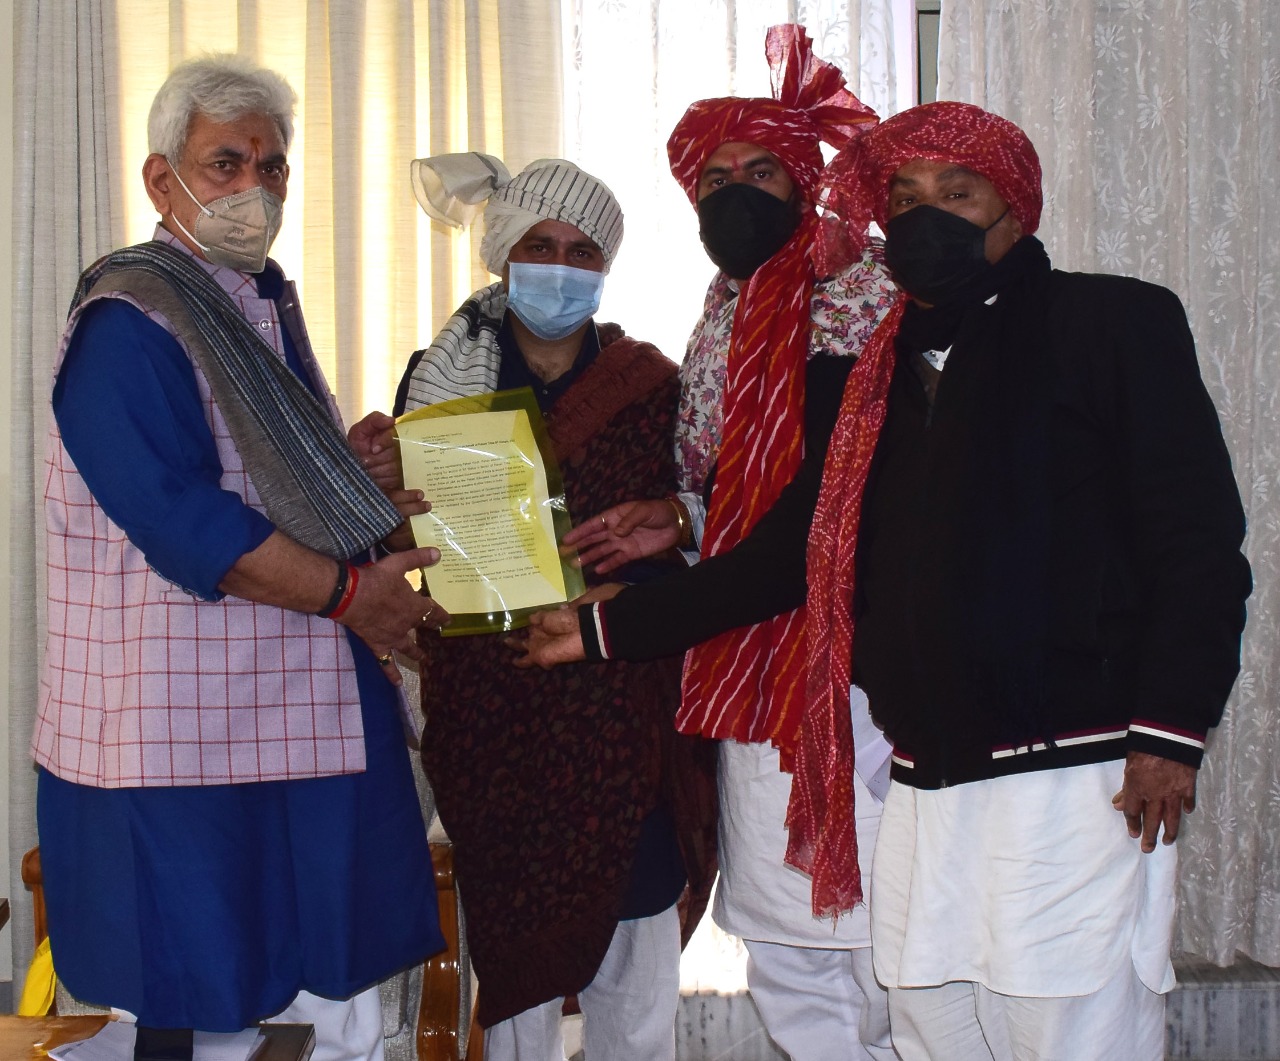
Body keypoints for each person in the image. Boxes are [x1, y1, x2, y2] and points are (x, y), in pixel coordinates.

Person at [520, 100, 1251, 1061]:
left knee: (1067, 1027)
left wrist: (1170, 732)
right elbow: (796, 549)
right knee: (934, 1025)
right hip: (927, 778)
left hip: (1076, 774)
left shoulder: (1111, 321)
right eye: (903, 195)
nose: (924, 216)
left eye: (957, 192)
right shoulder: (871, 367)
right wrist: (612, 628)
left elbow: (1195, 543)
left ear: (1014, 208)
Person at [32, 54, 445, 1061]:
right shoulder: (133, 317)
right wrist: (355, 591)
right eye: (225, 162)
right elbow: (183, 521)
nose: (253, 188)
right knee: (199, 995)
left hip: (283, 705)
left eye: (272, 167)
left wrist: (348, 478)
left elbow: (250, 482)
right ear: (160, 178)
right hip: (174, 726)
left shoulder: (249, 300)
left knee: (316, 987)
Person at [556, 25, 898, 1061]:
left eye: (762, 171)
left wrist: (623, 625)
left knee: (878, 945)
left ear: (805, 178)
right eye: (714, 178)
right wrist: (680, 518)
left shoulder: (861, 294)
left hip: (853, 667)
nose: (736, 194)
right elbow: (736, 496)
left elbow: (825, 519)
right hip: (748, 665)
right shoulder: (721, 311)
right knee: (787, 943)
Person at [353, 154, 717, 1061]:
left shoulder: (650, 385)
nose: (560, 264)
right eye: (540, 244)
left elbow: (700, 540)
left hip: (617, 716)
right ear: (503, 254)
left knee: (634, 982)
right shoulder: (437, 384)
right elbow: (403, 544)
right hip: (492, 714)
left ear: (606, 267)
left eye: (583, 249)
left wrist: (629, 589)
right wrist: (373, 497)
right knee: (514, 985)